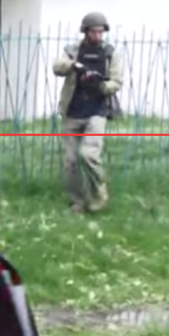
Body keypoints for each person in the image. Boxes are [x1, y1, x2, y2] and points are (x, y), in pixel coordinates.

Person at [51, 11, 124, 214]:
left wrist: (101, 86)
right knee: (70, 162)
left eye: (101, 32)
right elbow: (57, 67)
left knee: (89, 154)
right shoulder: (73, 50)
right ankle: (78, 201)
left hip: (96, 110)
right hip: (73, 110)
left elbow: (117, 81)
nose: (97, 36)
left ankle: (99, 191)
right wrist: (74, 66)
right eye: (93, 31)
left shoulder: (110, 53)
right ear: (85, 31)